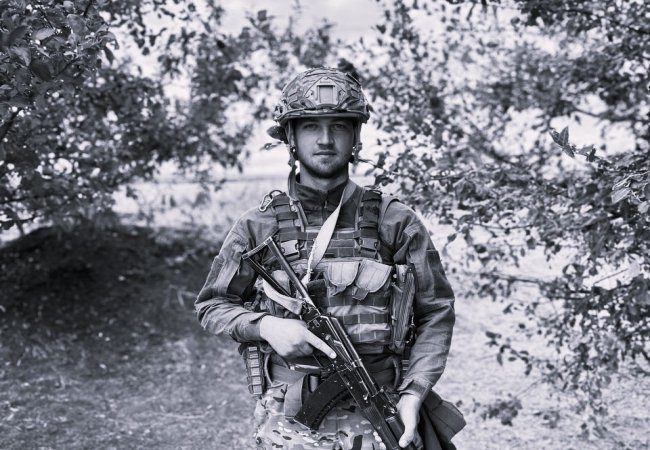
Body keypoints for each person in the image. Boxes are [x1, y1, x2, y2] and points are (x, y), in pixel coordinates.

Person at [195, 67, 459, 449]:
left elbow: (435, 311)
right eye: (310, 127)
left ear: (355, 136)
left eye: (338, 126)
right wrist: (266, 325)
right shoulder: (259, 225)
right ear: (290, 137)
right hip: (288, 419)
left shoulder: (395, 222)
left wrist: (414, 393)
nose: (325, 139)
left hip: (380, 410)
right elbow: (212, 305)